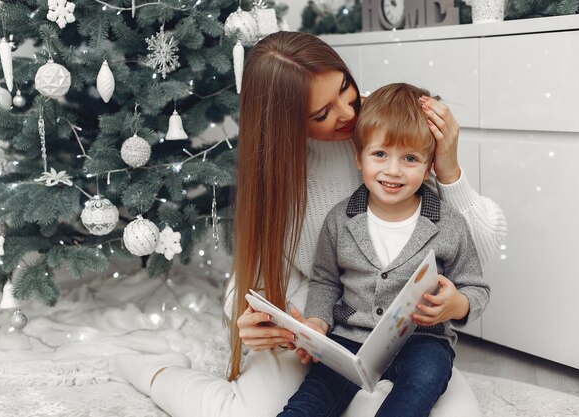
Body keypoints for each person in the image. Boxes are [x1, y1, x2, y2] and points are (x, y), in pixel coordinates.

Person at [112, 31, 506, 417]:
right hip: (326, 324)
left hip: (408, 337)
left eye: (345, 88)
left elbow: (474, 253)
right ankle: (155, 373)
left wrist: (449, 168)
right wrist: (264, 320)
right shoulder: (279, 172)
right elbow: (261, 274)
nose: (350, 113)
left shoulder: (387, 123)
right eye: (322, 113)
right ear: (285, 122)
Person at [277, 83, 490, 417]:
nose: (393, 170)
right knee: (309, 401)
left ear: (429, 165)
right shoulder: (339, 219)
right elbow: (325, 281)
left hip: (424, 341)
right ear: (359, 158)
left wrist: (457, 304)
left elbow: (476, 287)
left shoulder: (449, 224)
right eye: (380, 154)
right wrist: (317, 323)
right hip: (350, 339)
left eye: (409, 158)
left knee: (424, 381)